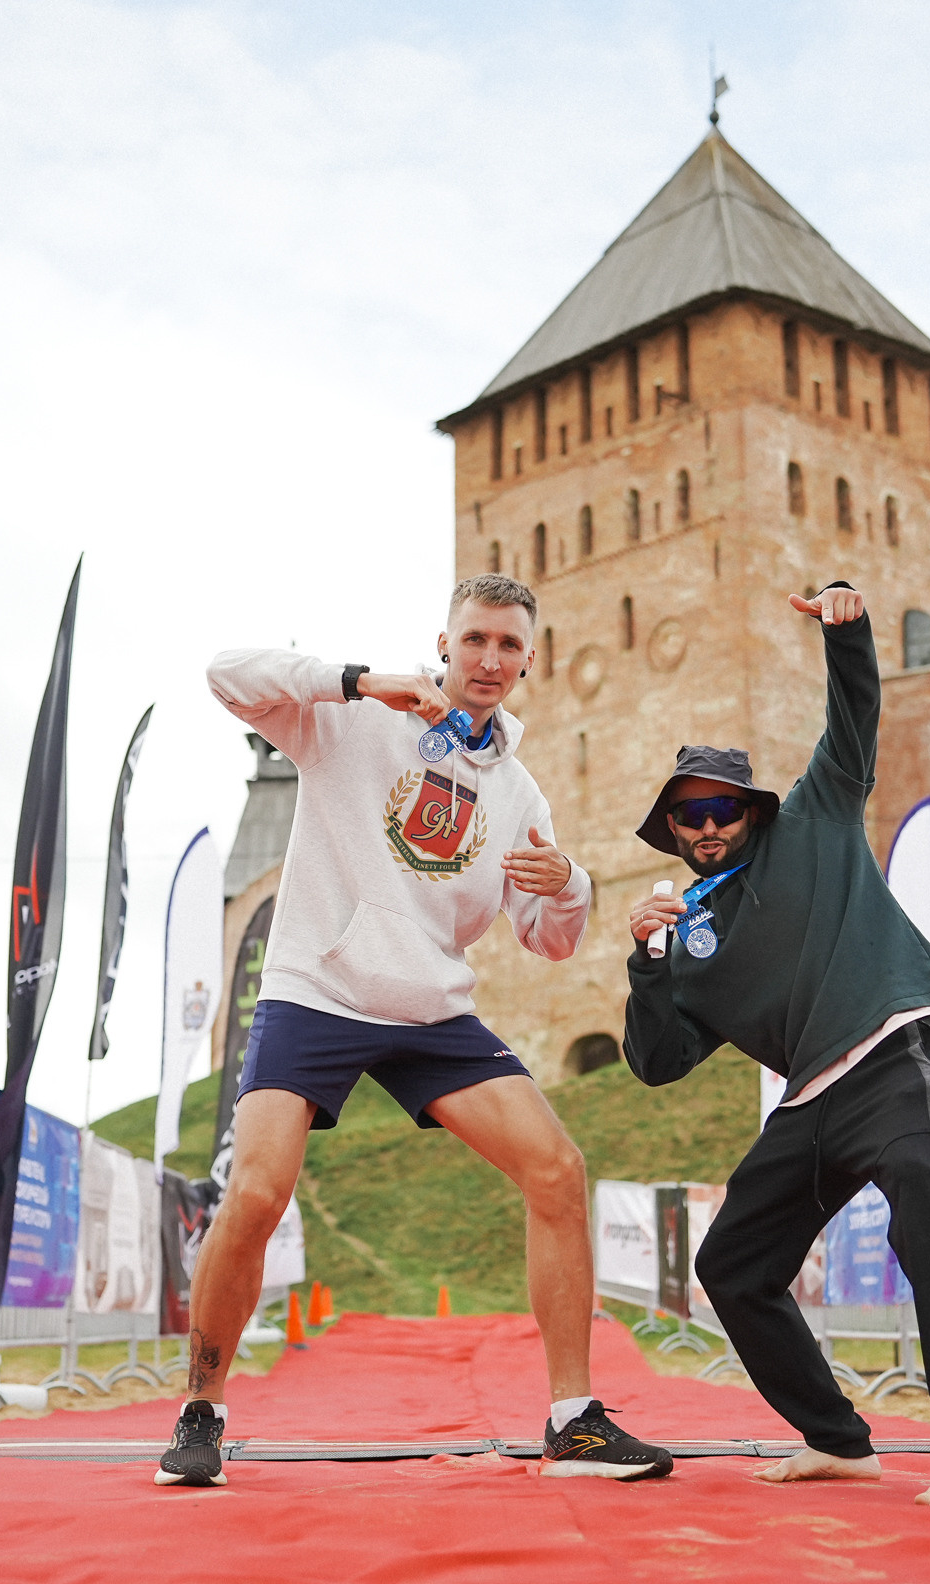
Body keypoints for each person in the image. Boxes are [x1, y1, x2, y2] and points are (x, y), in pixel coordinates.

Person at [159, 573, 673, 1488]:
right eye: (475, 639)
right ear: (443, 643)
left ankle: (573, 1423)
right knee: (258, 1191)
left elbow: (549, 942)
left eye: (509, 645)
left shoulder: (518, 793)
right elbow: (226, 674)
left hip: (430, 1009)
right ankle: (202, 1410)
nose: (490, 659)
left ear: (527, 662)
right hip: (317, 988)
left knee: (557, 1169)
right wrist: (355, 679)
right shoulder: (355, 721)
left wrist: (568, 883)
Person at [622, 582, 930, 1510]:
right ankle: (839, 1441)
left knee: (919, 1182)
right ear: (672, 831)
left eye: (725, 806)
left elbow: (854, 718)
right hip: (812, 1100)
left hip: (901, 1041)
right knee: (730, 1265)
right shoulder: (688, 937)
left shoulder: (816, 818)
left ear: (752, 808)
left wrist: (848, 633)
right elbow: (657, 1062)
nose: (711, 824)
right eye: (692, 816)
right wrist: (646, 962)